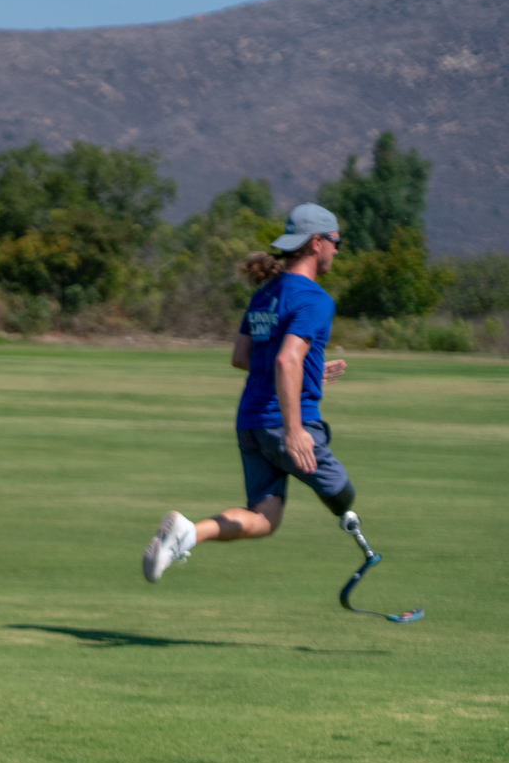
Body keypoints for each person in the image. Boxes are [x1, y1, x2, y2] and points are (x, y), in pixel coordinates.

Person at [143, 203, 363, 582]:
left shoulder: (264, 294)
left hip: (251, 424)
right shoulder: (314, 299)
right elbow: (284, 362)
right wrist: (296, 429)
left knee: (265, 519)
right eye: (336, 242)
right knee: (343, 494)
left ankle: (188, 534)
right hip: (284, 425)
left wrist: (308, 372)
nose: (337, 250)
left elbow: (243, 357)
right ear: (316, 243)